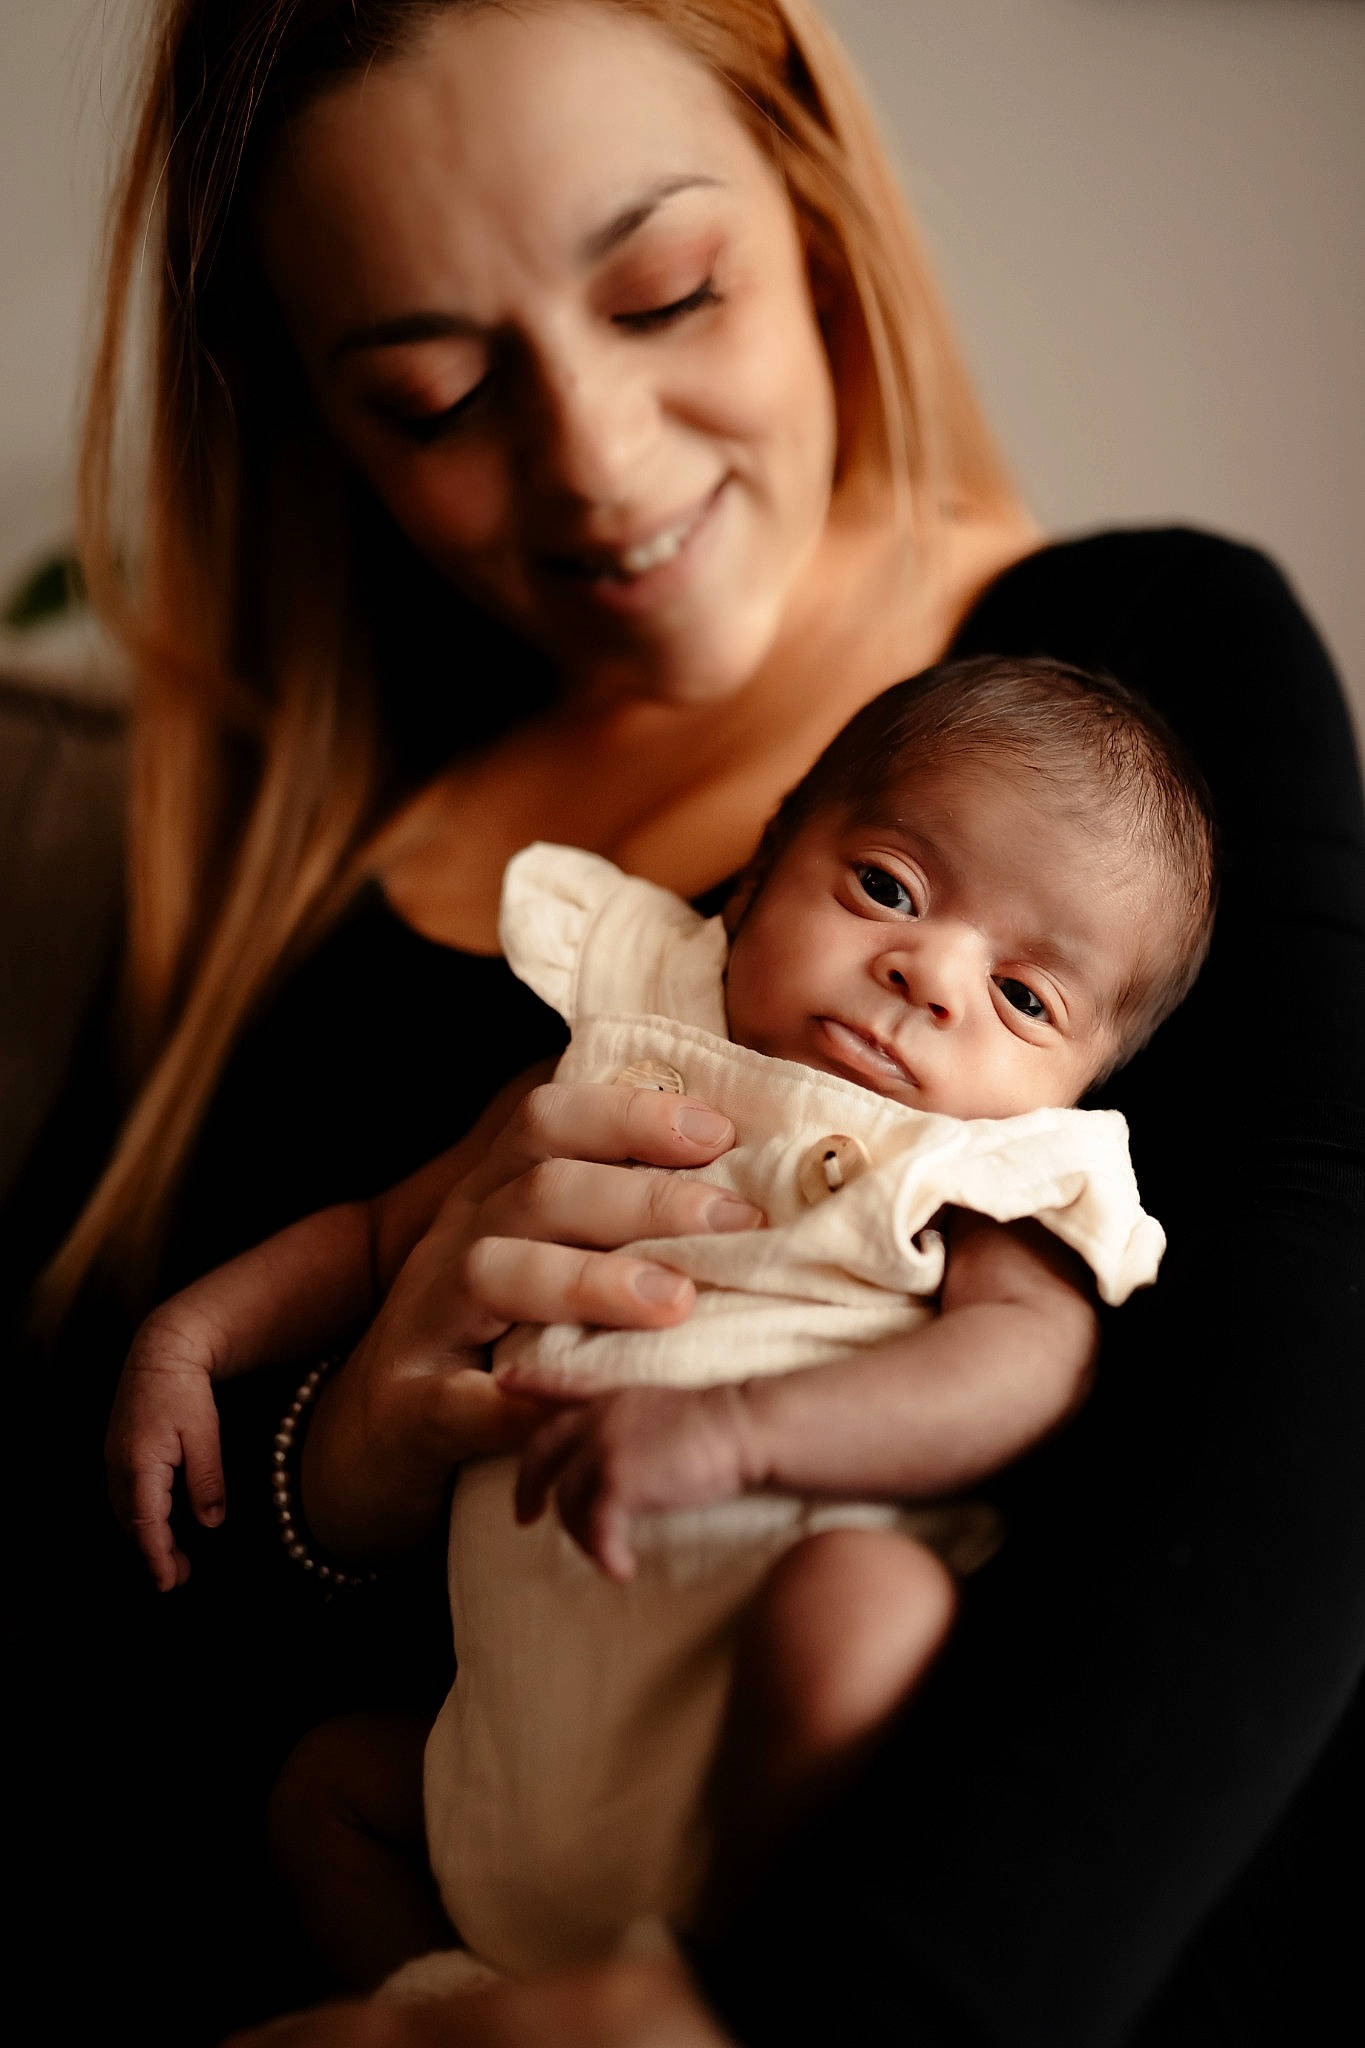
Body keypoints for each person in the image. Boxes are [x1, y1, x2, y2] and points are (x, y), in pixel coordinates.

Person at [8, 1, 1361, 2044]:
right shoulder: (297, 894)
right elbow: (66, 1661)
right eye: (438, 398)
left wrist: (793, 2012)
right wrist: (341, 1457)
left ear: (809, 202)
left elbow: (1297, 1423)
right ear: (316, 425)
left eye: (666, 292)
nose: (596, 464)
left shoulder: (1133, 707)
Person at [107, 655, 1207, 1990]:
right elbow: (376, 1234)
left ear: (1078, 1079)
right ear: (753, 879)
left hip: (766, 1736)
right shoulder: (620, 1040)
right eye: (886, 889)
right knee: (325, 1795)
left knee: (864, 1601)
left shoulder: (979, 1166)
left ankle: (704, 1997)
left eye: (1023, 998)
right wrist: (193, 1337)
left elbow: (1026, 1365)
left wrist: (743, 1436)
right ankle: (456, 2022)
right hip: (515, 1776)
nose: (926, 974)